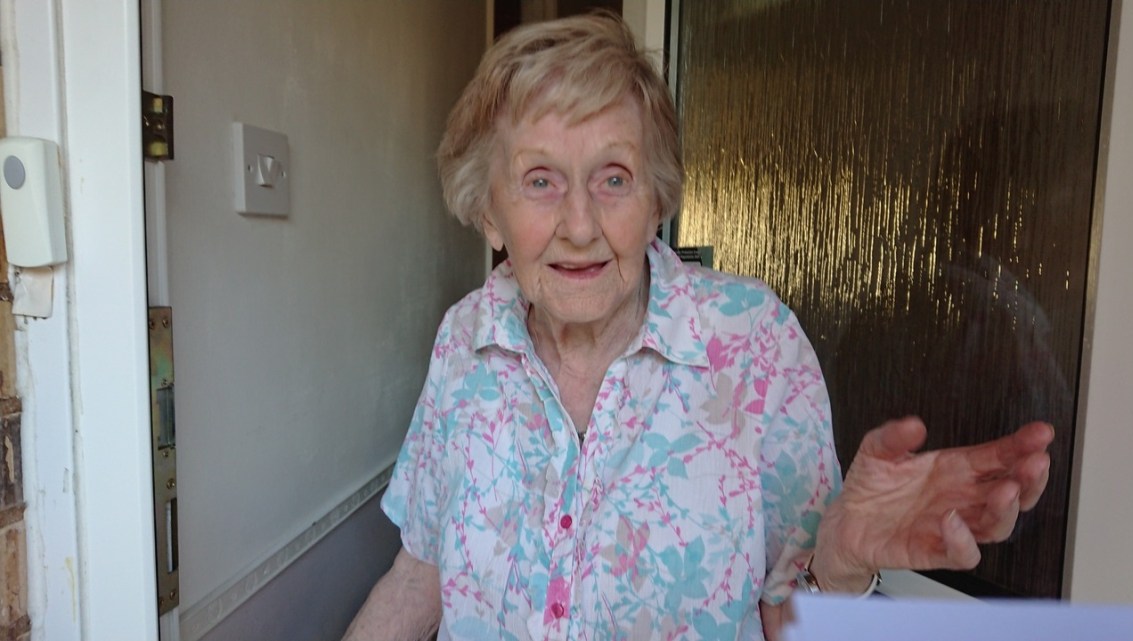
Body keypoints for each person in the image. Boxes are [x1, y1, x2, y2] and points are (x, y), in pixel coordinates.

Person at [343, 12, 1053, 641]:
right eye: (540, 180)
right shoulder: (465, 338)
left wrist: (838, 566)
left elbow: (785, 620)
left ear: (656, 201)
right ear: (488, 213)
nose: (581, 225)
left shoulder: (754, 342)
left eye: (614, 177)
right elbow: (421, 574)